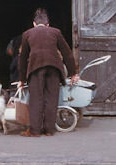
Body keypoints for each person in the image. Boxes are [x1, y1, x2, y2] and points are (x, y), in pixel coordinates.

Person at [17, 8, 78, 137]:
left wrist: (21, 79)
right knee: (51, 98)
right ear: (47, 24)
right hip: (54, 68)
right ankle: (49, 130)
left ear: (34, 24)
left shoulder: (27, 34)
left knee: (36, 99)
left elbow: (22, 58)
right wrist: (73, 73)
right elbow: (67, 54)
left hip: (35, 68)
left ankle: (35, 131)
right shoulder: (56, 32)